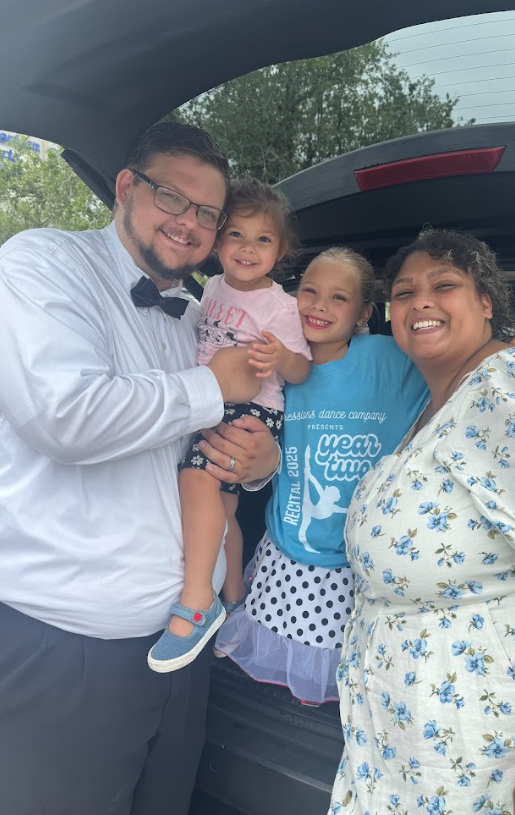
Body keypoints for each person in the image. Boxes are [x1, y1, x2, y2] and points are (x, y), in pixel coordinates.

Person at [0, 122, 280, 815]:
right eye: (173, 198)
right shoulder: (40, 264)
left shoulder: (195, 316)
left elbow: (203, 442)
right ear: (126, 187)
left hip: (183, 643)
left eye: (208, 213)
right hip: (61, 647)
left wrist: (261, 461)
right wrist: (215, 388)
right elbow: (67, 416)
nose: (191, 224)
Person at [327, 228, 515, 815]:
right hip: (411, 750)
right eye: (405, 292)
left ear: (487, 302)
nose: (421, 302)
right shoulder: (434, 404)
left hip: (498, 758)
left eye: (445, 285)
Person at [215, 247, 430, 704]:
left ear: (363, 315)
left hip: (354, 566)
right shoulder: (274, 362)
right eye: (308, 291)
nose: (318, 305)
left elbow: (453, 359)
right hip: (286, 555)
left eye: (338, 297)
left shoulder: (389, 358)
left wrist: (506, 350)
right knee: (282, 686)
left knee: (339, 683)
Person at [148, 178, 311, 673]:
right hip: (210, 402)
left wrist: (282, 356)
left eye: (263, 239)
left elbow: (303, 371)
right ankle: (235, 600)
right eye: (237, 235)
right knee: (222, 507)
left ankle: (198, 603)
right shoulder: (210, 289)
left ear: (280, 250)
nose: (248, 248)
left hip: (252, 412)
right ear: (217, 242)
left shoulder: (279, 306)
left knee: (195, 478)